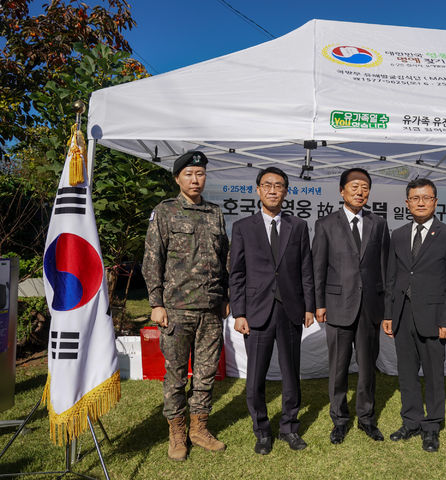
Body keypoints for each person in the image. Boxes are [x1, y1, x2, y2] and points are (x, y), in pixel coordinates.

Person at [142, 151, 228, 461]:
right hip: (176, 309)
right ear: (178, 178)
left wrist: (226, 297)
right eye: (189, 174)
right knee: (176, 376)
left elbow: (224, 259)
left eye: (200, 174)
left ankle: (198, 428)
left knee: (205, 375)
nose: (195, 179)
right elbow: (152, 260)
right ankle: (177, 432)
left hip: (210, 311)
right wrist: (156, 303)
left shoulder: (215, 214)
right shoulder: (165, 212)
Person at [229, 166, 315, 454]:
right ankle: (262, 430)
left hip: (290, 309)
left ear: (286, 191)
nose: (273, 190)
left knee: (291, 373)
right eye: (268, 185)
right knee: (255, 377)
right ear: (258, 190)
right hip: (256, 311)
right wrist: (239, 312)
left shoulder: (298, 226)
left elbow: (306, 269)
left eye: (279, 186)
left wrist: (309, 307)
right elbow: (237, 273)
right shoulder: (242, 227)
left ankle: (289, 426)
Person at [382, 178, 446, 453]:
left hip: (434, 317)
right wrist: (389, 314)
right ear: (407, 203)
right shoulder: (399, 234)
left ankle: (432, 426)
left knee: (434, 375)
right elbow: (392, 277)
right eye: (415, 198)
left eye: (426, 198)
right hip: (403, 316)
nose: (420, 202)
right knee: (406, 374)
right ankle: (411, 421)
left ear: (435, 202)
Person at [312, 168, 390, 444]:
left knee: (368, 367)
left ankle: (367, 418)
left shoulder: (378, 224)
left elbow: (384, 268)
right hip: (337, 307)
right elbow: (318, 268)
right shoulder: (325, 224)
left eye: (365, 187)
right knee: (338, 368)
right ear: (342, 191)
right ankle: (340, 419)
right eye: (355, 187)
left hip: (370, 307)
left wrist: (386, 308)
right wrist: (318, 304)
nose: (360, 192)